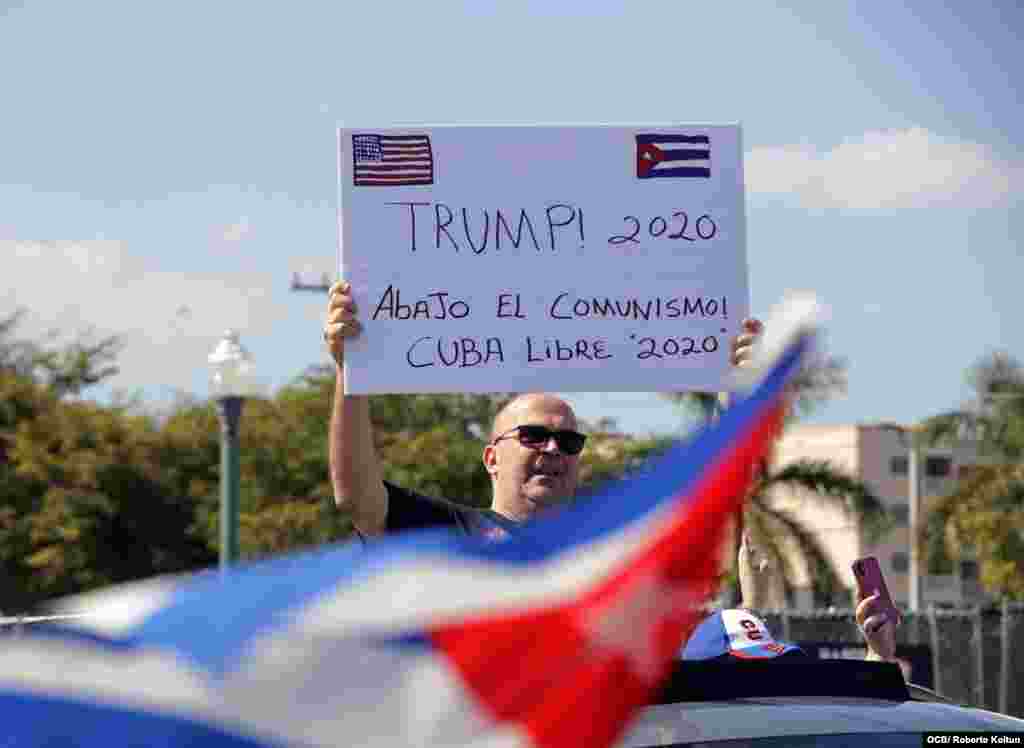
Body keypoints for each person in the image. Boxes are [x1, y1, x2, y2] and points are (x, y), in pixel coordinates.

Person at [323, 280, 764, 538]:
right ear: (491, 456)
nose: (553, 449)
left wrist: (737, 393)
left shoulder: (604, 552)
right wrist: (350, 369)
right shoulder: (451, 532)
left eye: (570, 441)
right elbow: (356, 497)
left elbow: (712, 501)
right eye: (533, 435)